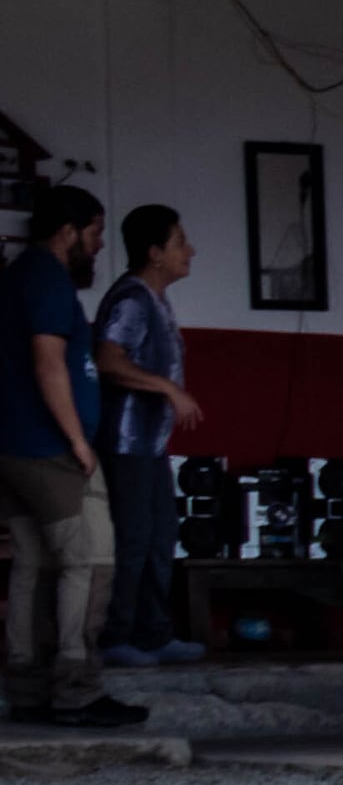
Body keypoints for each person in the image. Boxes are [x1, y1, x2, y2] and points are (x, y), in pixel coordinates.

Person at [4, 183, 140, 731]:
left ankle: (27, 689)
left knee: (32, 567)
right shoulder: (48, 280)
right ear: (69, 232)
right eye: (96, 233)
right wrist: (79, 441)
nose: (100, 245)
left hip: (13, 448)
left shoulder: (14, 278)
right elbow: (48, 363)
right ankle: (77, 691)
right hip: (51, 450)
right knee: (91, 563)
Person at [94, 203, 203, 666]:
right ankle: (117, 638)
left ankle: (154, 633)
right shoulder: (133, 299)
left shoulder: (156, 298)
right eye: (180, 242)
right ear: (155, 252)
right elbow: (108, 360)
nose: (190, 251)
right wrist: (167, 388)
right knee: (134, 541)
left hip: (150, 447)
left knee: (161, 539)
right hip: (125, 445)